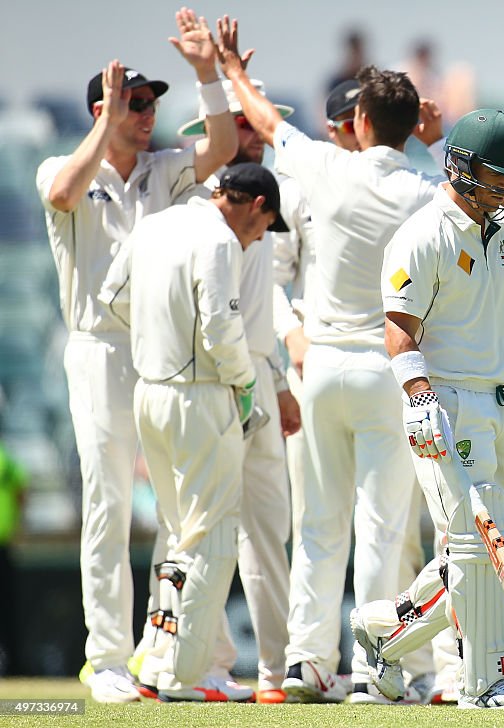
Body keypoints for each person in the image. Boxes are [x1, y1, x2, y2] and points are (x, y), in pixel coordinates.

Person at [214, 15, 441, 702]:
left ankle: (309, 663)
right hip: (387, 372)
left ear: (361, 121)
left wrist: (230, 70)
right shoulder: (425, 190)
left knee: (318, 526)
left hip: (323, 368)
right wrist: (428, 142)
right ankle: (376, 669)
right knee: (382, 528)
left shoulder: (323, 168)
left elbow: (265, 119)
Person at [349, 107, 504, 711]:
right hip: (443, 405)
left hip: (499, 401)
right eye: (497, 177)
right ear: (460, 168)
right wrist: (419, 400)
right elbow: (398, 329)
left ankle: (383, 631)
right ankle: (486, 682)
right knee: (474, 546)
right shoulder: (423, 233)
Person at [34, 8, 237, 703]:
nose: (149, 114)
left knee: (179, 511)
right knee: (109, 505)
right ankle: (108, 659)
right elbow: (62, 192)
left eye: (152, 103)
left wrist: (207, 72)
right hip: (95, 351)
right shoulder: (62, 169)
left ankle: (173, 652)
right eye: (137, 103)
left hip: (160, 354)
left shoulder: (167, 170)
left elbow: (221, 145)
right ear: (104, 108)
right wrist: (105, 123)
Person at [101, 162, 287, 701]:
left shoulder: (153, 225)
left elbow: (113, 298)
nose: (257, 240)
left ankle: (160, 662)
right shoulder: (220, 238)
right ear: (255, 206)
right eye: (263, 226)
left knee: (180, 531)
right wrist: (245, 383)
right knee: (213, 534)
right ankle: (189, 674)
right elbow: (223, 327)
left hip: (150, 392)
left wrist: (161, 337)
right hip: (202, 395)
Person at [171, 75, 302, 704]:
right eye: (237, 126)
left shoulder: (264, 204)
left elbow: (260, 312)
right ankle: (200, 663)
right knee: (200, 532)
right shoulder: (197, 205)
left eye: (256, 126)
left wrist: (274, 382)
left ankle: (277, 671)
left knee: (268, 531)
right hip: (207, 384)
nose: (248, 135)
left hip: (253, 376)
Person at [0, 441, 27, 676]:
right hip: (4, 545)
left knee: (8, 610)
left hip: (3, 545)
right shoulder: (6, 460)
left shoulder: (6, 460)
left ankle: (11, 663)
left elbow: (20, 491)